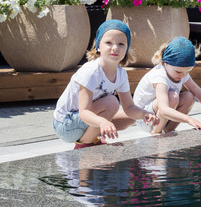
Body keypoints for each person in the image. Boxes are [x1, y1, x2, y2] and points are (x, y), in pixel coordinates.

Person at [53, 19, 159, 149]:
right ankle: (85, 144)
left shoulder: (121, 74)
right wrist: (102, 121)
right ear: (98, 46)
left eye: (121, 44)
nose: (115, 47)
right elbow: (83, 112)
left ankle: (93, 136)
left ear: (126, 49)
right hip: (66, 125)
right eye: (109, 42)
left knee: (132, 116)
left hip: (83, 121)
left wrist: (144, 114)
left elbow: (130, 107)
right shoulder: (91, 72)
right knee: (111, 102)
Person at [133, 36, 201, 134]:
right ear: (165, 63)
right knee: (172, 97)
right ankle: (156, 133)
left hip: (160, 115)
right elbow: (164, 109)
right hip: (145, 119)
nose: (183, 75)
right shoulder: (160, 78)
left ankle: (168, 130)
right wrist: (188, 119)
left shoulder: (181, 72)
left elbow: (198, 92)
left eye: (188, 71)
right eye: (178, 72)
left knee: (189, 97)